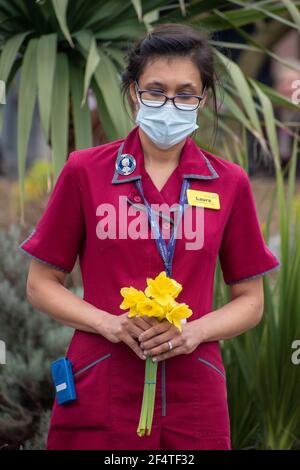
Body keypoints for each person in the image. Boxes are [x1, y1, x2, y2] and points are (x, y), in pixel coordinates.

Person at [18, 23, 280, 450]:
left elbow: (250, 300)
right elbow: (40, 284)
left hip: (193, 385)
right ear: (133, 93)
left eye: (185, 93)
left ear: (204, 98)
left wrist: (193, 332)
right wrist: (109, 323)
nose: (169, 104)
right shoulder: (85, 171)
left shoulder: (228, 182)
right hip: (101, 374)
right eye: (155, 90)